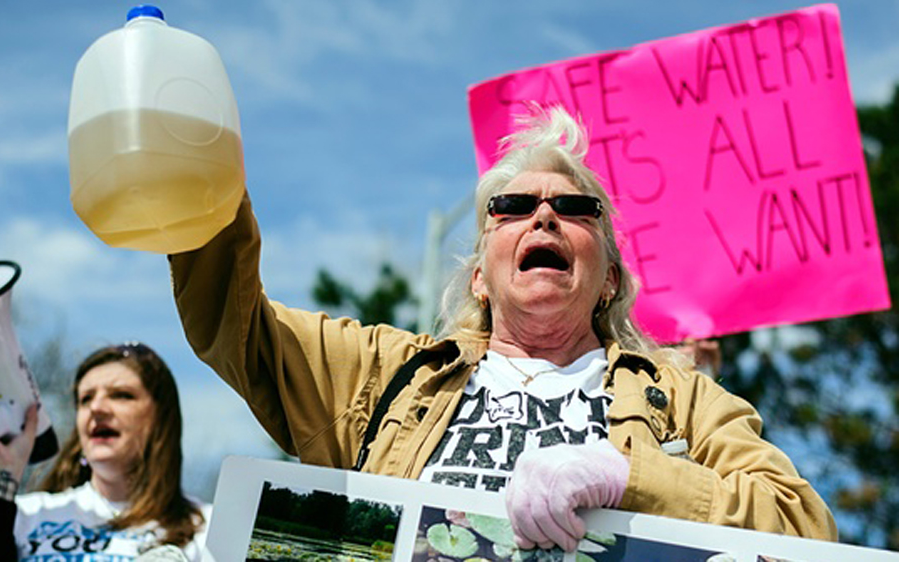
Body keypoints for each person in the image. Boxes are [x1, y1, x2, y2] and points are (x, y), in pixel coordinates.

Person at [169, 105, 836, 552]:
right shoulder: (383, 375)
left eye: (575, 208)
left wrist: (627, 476)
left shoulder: (683, 398)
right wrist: (195, 174)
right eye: (512, 207)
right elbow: (236, 321)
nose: (543, 217)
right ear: (481, 276)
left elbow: (805, 529)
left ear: (608, 278)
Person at [0, 342, 211, 561]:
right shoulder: (24, 516)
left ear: (162, 419)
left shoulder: (207, 526)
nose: (96, 408)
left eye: (121, 395)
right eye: (85, 399)